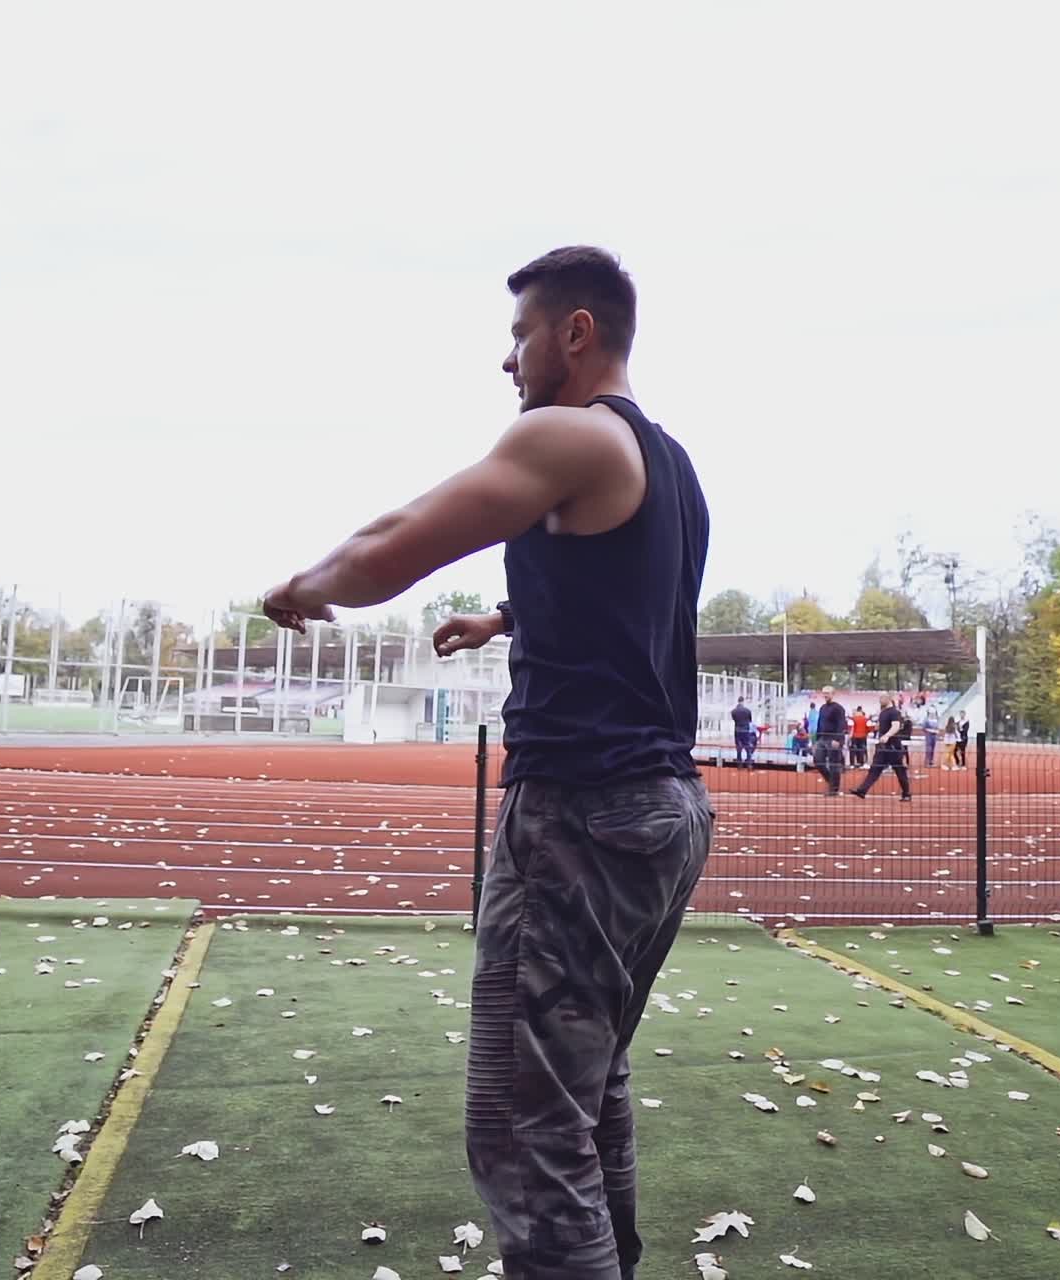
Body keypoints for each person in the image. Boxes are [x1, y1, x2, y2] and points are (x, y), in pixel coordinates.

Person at [265, 246, 712, 1280]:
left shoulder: (561, 433)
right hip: (661, 810)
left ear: (574, 332)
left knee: (522, 1121)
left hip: (580, 813)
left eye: (518, 335)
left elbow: (394, 540)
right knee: (583, 1088)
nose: (504, 361)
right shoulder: (670, 464)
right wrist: (502, 615)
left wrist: (305, 580)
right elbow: (618, 584)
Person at [849, 693, 911, 801]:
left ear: (889, 699)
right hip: (883, 746)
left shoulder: (894, 712)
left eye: (882, 698)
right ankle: (862, 790)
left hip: (893, 747)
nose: (880, 700)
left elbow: (895, 726)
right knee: (875, 769)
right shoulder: (883, 713)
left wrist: (887, 735)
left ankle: (906, 793)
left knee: (900, 771)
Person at [814, 684, 847, 796]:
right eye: (824, 693)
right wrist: (816, 740)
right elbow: (819, 724)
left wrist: (837, 739)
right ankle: (831, 781)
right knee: (818, 761)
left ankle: (834, 789)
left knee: (834, 764)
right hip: (822, 738)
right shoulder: (823, 708)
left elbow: (841, 724)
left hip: (833, 739)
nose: (825, 695)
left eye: (827, 693)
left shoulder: (838, 708)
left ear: (833, 694)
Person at [731, 695, 755, 767]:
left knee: (738, 747)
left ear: (738, 701)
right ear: (743, 701)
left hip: (737, 730)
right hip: (745, 730)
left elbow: (734, 719)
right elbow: (750, 720)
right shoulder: (747, 711)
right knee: (747, 747)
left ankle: (739, 764)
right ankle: (749, 763)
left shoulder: (733, 711)